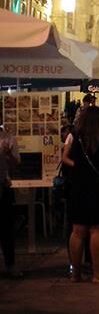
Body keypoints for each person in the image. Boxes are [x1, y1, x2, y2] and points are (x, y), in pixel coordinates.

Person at [62, 106, 99, 283]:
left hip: (79, 187)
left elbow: (64, 158)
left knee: (77, 230)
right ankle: (98, 274)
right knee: (97, 230)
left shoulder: (76, 137)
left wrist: (78, 166)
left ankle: (76, 274)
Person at [0, 119, 20, 278]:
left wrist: (8, 154)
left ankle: (10, 264)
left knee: (6, 228)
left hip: (3, 186)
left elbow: (15, 164)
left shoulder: (8, 138)